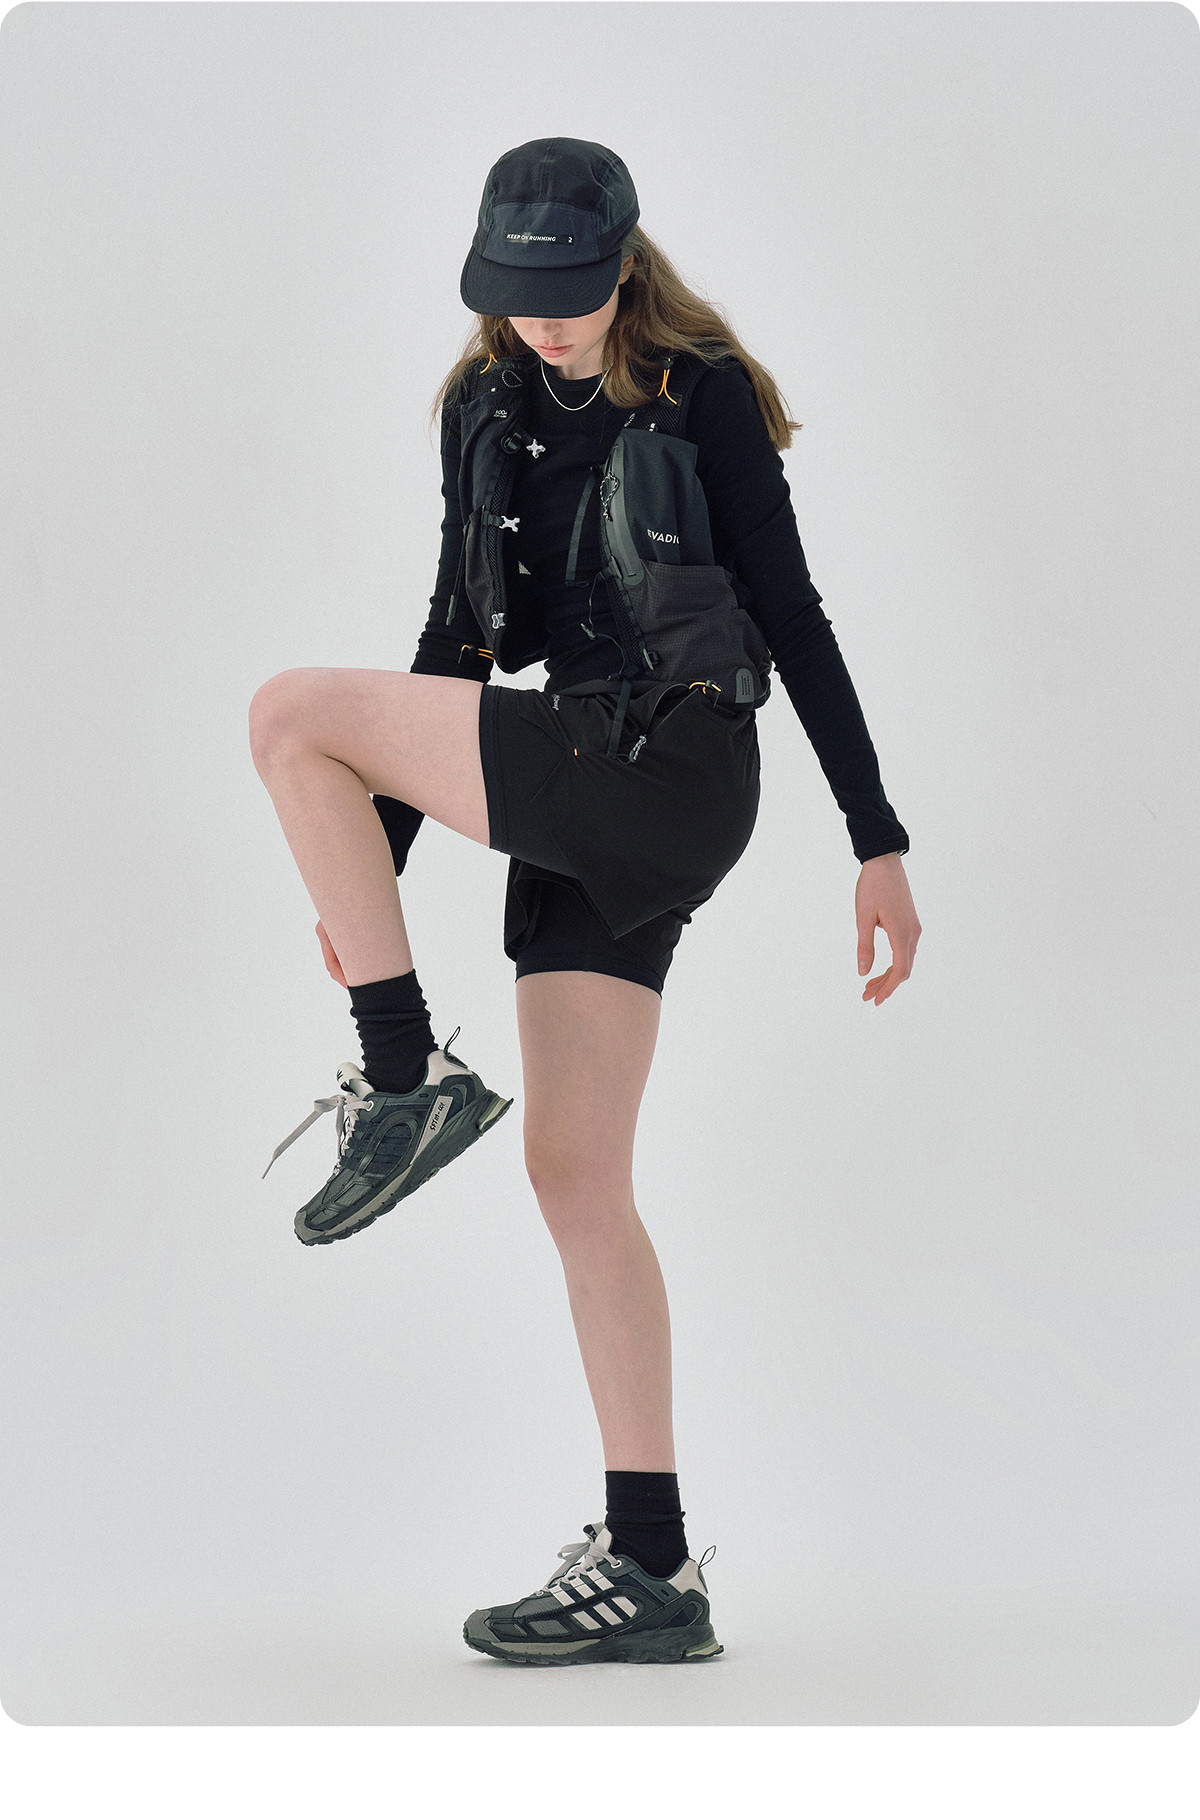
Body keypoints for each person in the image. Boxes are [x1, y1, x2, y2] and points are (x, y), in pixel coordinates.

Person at [249, 137, 921, 1667]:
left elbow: (794, 613)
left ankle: (405, 1077)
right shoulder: (482, 406)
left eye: (570, 291)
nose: (545, 321)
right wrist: (374, 860)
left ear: (625, 265)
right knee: (573, 1174)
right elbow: (456, 644)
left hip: (670, 764)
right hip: (571, 780)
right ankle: (654, 1565)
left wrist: (875, 841)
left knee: (286, 713)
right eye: (518, 293)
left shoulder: (700, 392)